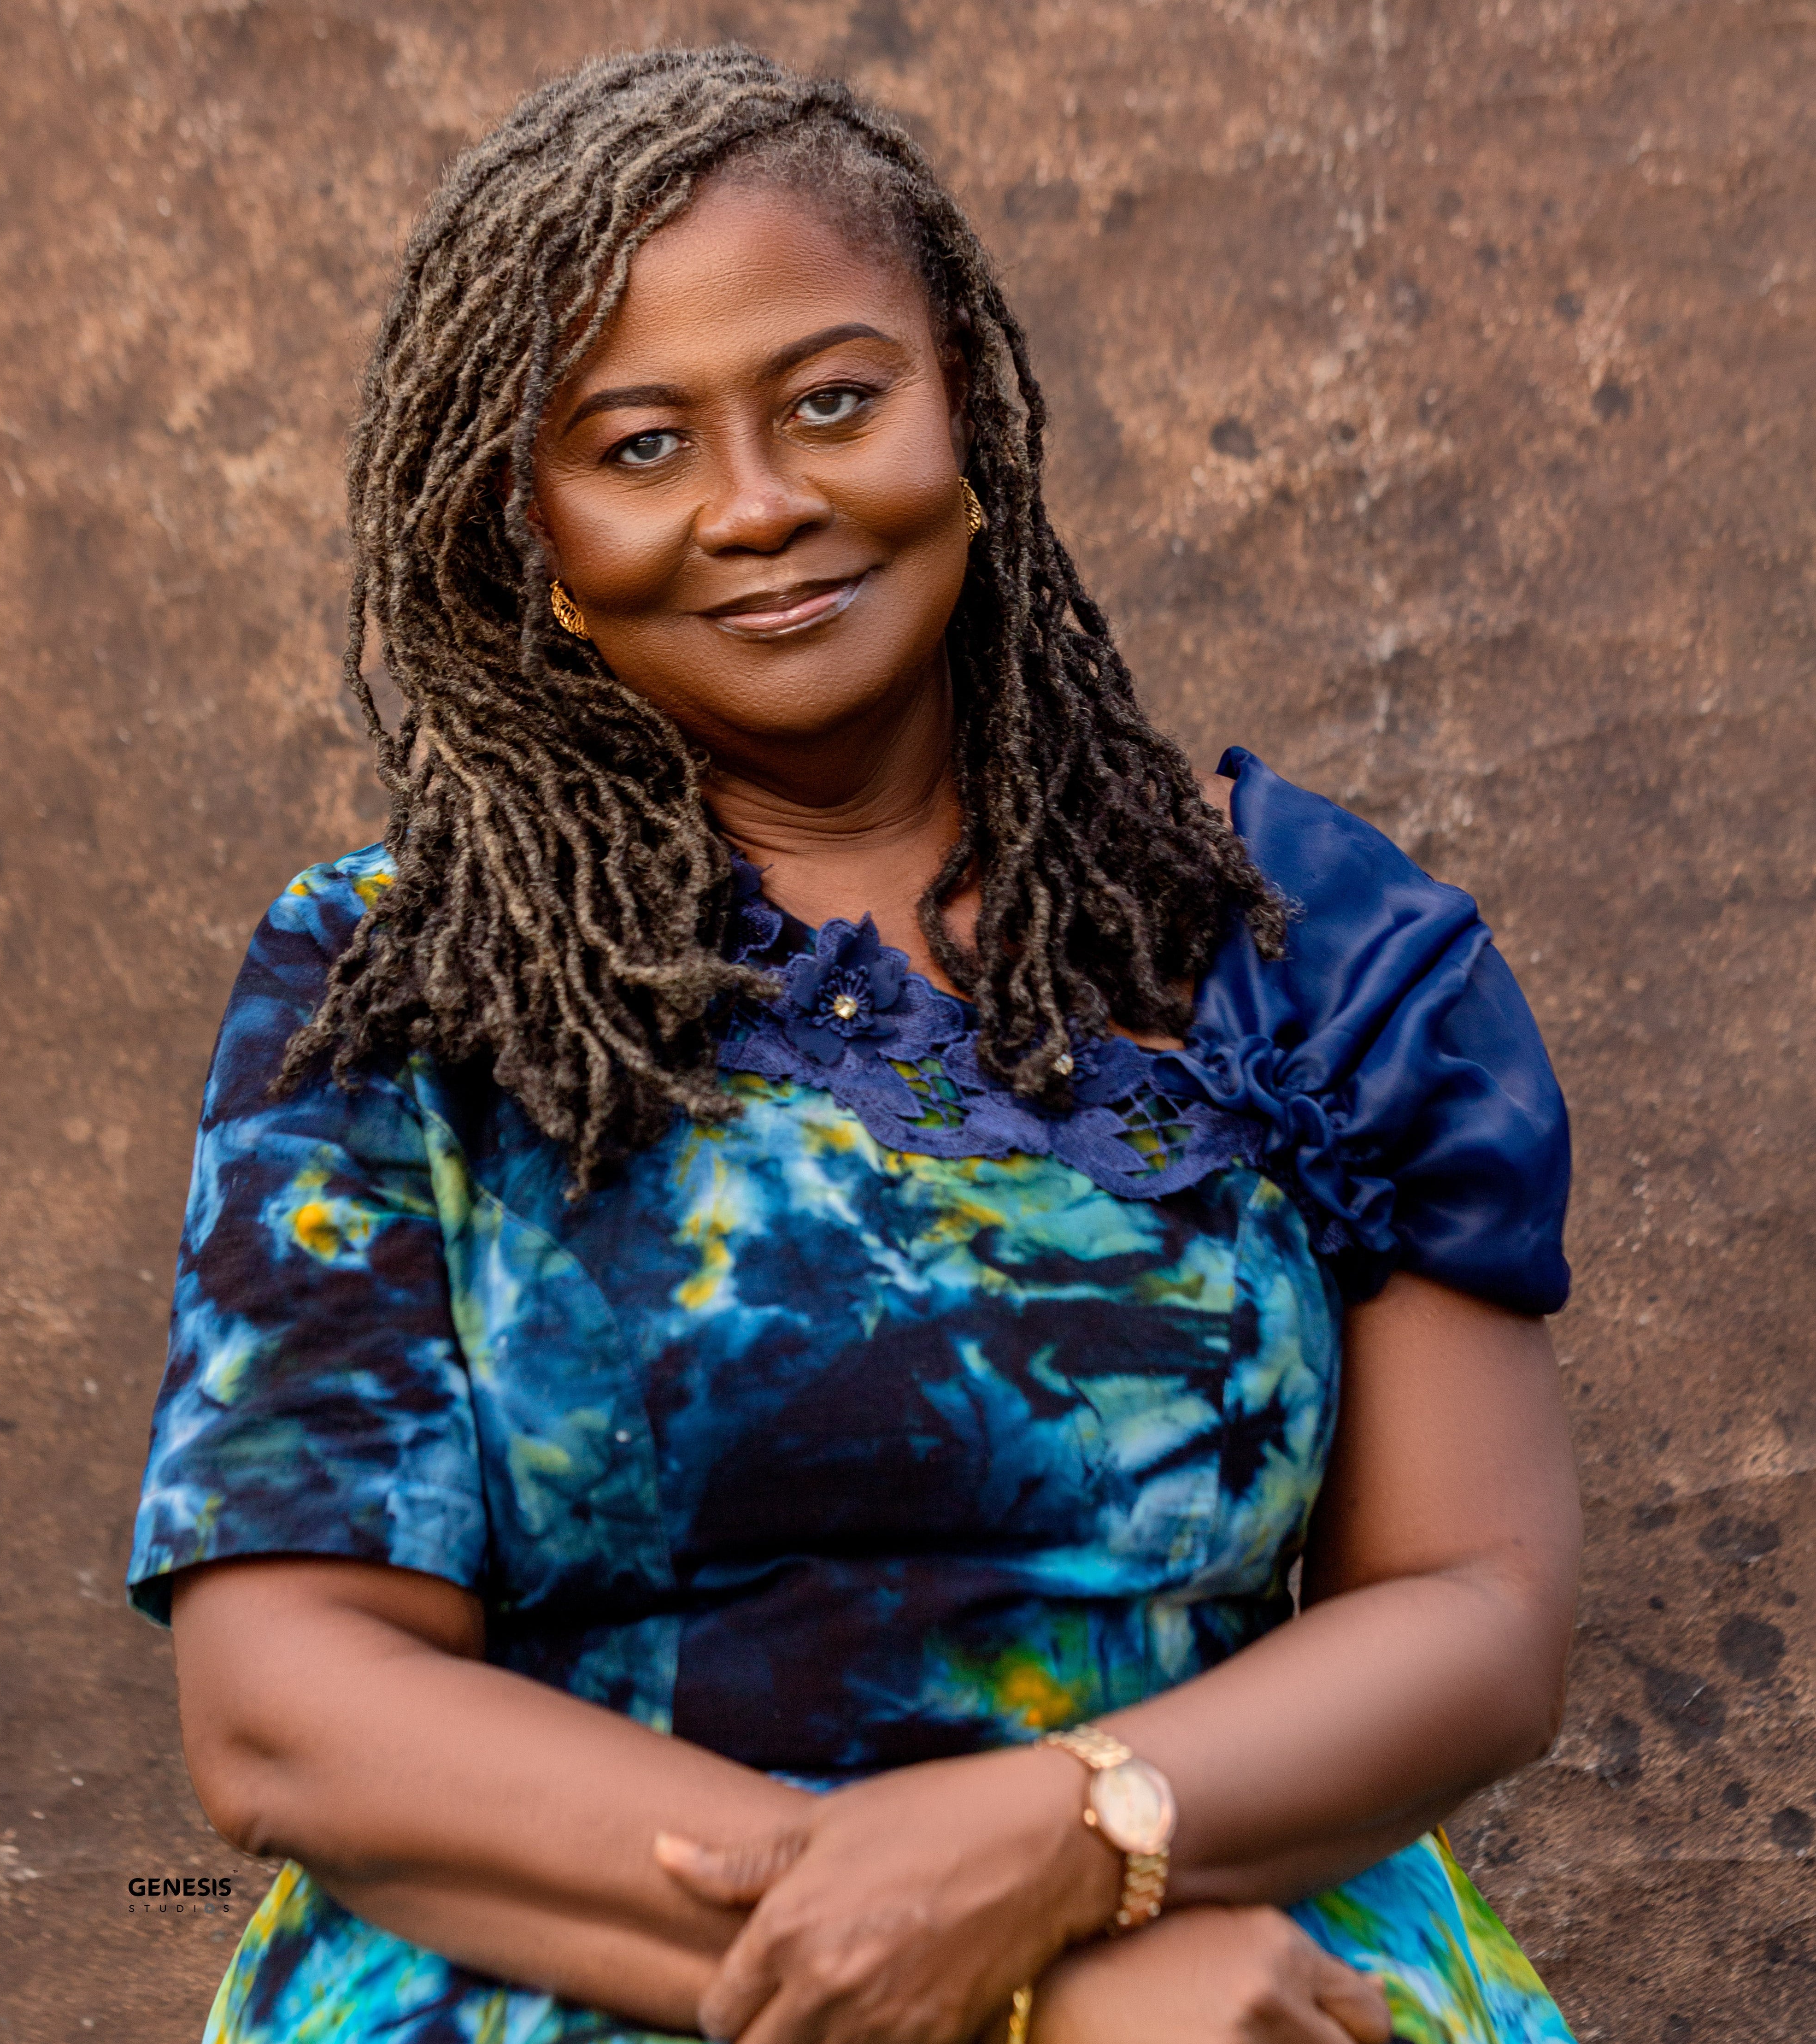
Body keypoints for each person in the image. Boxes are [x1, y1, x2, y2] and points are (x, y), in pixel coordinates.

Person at [127, 46, 1583, 2044]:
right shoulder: (393, 981)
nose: (757, 504)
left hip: (1238, 1971)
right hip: (584, 1978)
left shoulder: (1298, 948)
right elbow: (291, 1715)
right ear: (520, 513)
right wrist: (1025, 1990)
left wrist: (1082, 1837)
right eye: (636, 445)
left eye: (832, 401)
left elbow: (1476, 1611)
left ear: (961, 405)